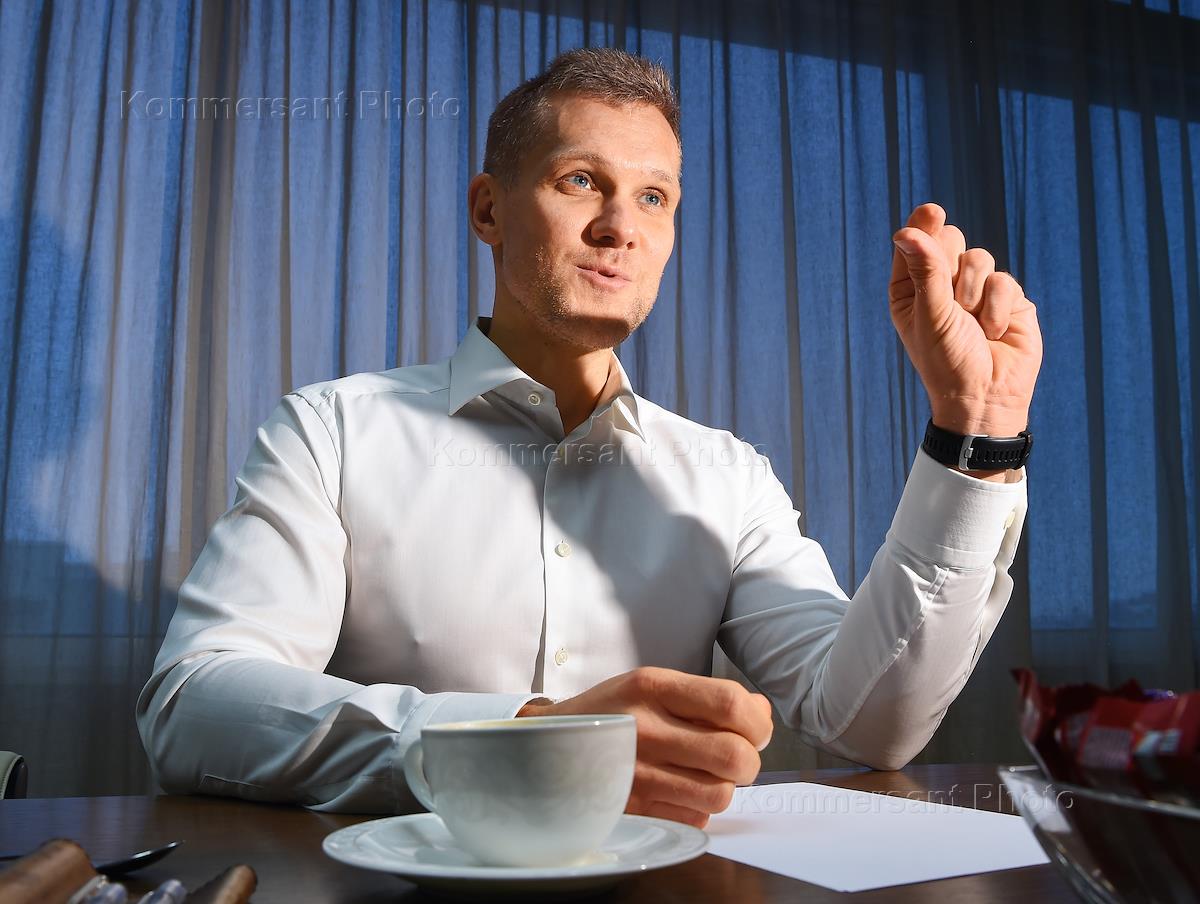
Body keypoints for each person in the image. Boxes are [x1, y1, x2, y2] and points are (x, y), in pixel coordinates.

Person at [137, 48, 1041, 829]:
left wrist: (977, 429)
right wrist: (520, 743)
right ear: (488, 211)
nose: (620, 229)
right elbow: (193, 706)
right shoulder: (330, 432)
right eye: (580, 182)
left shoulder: (727, 477)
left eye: (654, 197)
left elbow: (869, 723)